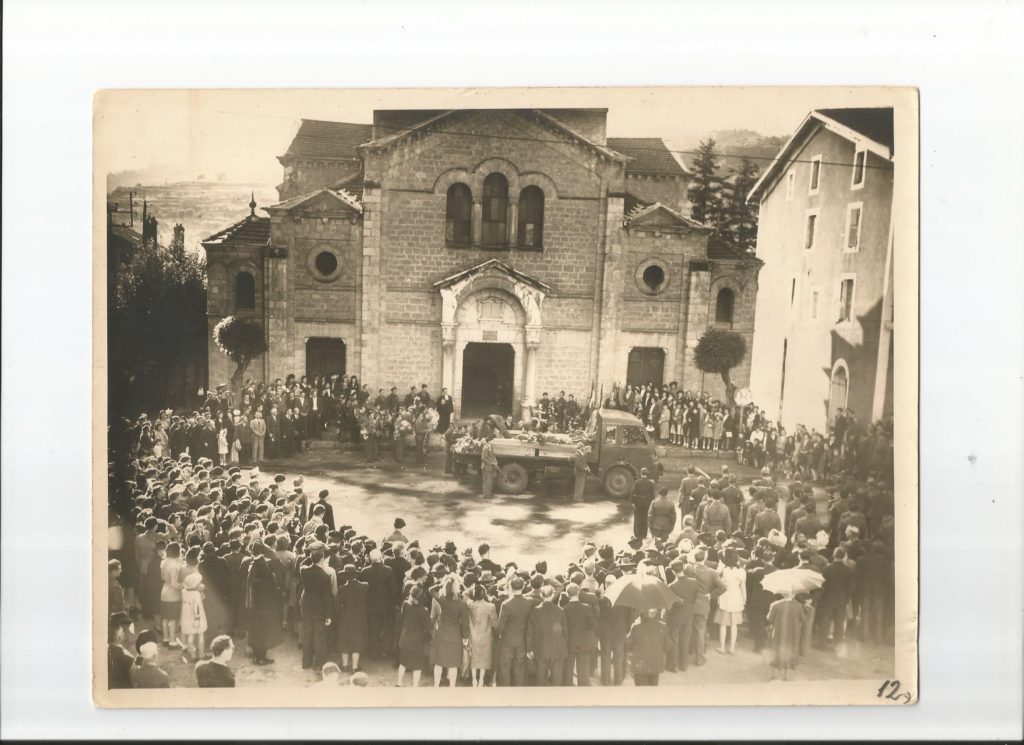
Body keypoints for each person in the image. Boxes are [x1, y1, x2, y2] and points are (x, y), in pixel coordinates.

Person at [685, 550, 726, 667]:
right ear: (705, 558)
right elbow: (723, 587)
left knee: (688, 630)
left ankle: (689, 652)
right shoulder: (712, 573)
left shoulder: (688, 569)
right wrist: (711, 594)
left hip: (689, 604)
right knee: (700, 631)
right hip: (703, 605)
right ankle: (699, 659)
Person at [298, 542, 334, 671]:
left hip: (306, 606)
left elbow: (304, 565)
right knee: (319, 637)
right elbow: (327, 598)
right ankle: (319, 663)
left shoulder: (304, 571)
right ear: (322, 560)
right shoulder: (325, 576)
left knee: (307, 635)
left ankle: (306, 662)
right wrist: (329, 615)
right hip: (319, 609)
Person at [429, 576, 470, 687]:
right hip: (455, 635)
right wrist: (465, 637)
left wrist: (441, 583)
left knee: (438, 662)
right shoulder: (462, 604)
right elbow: (465, 623)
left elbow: (430, 590)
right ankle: (452, 687)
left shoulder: (442, 600)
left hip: (441, 634)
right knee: (453, 664)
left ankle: (436, 686)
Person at [527, 584, 568, 686]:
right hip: (558, 647)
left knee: (540, 676)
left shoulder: (534, 611)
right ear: (552, 595)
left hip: (541, 647)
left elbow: (530, 633)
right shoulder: (560, 610)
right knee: (557, 677)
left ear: (541, 595)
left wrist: (529, 649)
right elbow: (565, 632)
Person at [495, 576, 532, 686]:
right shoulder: (528, 602)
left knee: (505, 668)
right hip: (521, 641)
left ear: (510, 587)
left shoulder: (506, 604)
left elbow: (500, 626)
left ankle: (506, 692)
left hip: (507, 641)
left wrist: (497, 635)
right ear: (523, 587)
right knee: (519, 668)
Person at [396, 585, 432, 688]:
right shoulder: (423, 610)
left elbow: (401, 619)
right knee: (417, 665)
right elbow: (428, 627)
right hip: (417, 641)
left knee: (403, 662)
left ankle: (399, 682)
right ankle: (415, 686)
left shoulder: (406, 604)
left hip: (404, 638)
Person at [665, 560, 698, 672]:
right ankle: (684, 665)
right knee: (685, 639)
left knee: (675, 640)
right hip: (689, 614)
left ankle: (673, 666)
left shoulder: (672, 586)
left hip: (676, 616)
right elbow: (694, 598)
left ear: (673, 572)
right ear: (683, 568)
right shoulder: (694, 582)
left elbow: (671, 604)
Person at [336, 563, 369, 673]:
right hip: (359, 616)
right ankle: (355, 667)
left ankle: (345, 666)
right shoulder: (364, 586)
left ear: (345, 576)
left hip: (345, 617)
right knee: (357, 641)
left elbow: (337, 605)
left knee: (344, 640)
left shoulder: (341, 589)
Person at [563, 582, 598, 686]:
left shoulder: (563, 609)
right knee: (583, 670)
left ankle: (568, 691)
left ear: (566, 594)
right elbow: (593, 625)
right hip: (583, 643)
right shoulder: (587, 608)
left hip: (569, 643)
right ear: (578, 592)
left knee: (568, 669)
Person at [715, 548, 746, 655]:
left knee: (723, 625)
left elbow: (719, 585)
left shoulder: (723, 571)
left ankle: (722, 647)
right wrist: (744, 599)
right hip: (737, 598)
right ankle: (732, 647)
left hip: (725, 598)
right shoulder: (741, 571)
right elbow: (743, 587)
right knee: (734, 625)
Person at [767, 592, 804, 680]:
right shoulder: (798, 606)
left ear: (783, 594)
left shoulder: (776, 605)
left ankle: (774, 675)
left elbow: (770, 619)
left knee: (775, 651)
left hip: (779, 634)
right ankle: (786, 676)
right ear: (793, 595)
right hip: (792, 634)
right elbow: (803, 619)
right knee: (789, 651)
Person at [627, 608, 669, 686]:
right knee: (653, 692)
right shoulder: (663, 628)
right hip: (655, 665)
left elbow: (628, 646)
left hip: (640, 666)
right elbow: (667, 646)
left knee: (641, 694)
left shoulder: (637, 628)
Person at [467, 584, 497, 687]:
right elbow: (494, 623)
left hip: (473, 635)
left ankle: (474, 680)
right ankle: (481, 680)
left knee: (474, 658)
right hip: (486, 636)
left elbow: (465, 594)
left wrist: (473, 589)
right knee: (484, 659)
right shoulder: (491, 606)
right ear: (484, 594)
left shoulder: (470, 604)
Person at [159, 542, 184, 649]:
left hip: (164, 591)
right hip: (173, 595)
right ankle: (173, 642)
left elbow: (163, 578)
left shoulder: (164, 562)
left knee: (165, 618)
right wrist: (184, 585)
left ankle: (166, 639)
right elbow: (174, 584)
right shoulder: (175, 566)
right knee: (173, 619)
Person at [180, 571, 208, 662]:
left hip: (187, 617)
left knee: (190, 636)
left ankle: (192, 655)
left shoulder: (184, 592)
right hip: (196, 617)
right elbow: (197, 607)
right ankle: (201, 654)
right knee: (200, 635)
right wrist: (197, 618)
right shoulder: (196, 594)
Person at [108, 611, 135, 689]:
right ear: (120, 633)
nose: (131, 633)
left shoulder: (109, 649)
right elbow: (137, 670)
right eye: (126, 629)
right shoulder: (126, 658)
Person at [630, 468, 656, 539]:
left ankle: (637, 534)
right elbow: (653, 494)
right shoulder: (651, 483)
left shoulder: (637, 482)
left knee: (638, 518)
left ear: (640, 474)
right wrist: (652, 503)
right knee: (645, 519)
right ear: (647, 474)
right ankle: (644, 534)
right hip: (647, 503)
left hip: (638, 503)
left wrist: (632, 502)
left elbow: (633, 492)